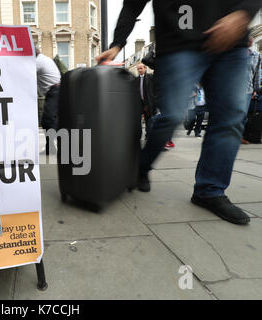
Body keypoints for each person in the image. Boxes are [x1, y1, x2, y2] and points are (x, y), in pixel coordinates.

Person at [96, 0, 260, 225]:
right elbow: (132, 5)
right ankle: (141, 167)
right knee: (172, 115)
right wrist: (116, 44)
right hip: (179, 44)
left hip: (230, 41)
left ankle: (210, 190)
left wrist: (243, 14)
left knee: (230, 117)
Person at [36, 47, 61, 154]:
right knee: (50, 120)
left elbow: (27, 74)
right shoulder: (45, 58)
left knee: (48, 120)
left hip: (55, 91)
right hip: (56, 91)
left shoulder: (38, 61)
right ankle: (51, 147)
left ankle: (54, 147)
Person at [242, 37, 261, 144]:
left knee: (243, 114)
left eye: (250, 41)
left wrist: (256, 89)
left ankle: (239, 135)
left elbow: (257, 74)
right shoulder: (235, 54)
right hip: (233, 89)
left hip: (248, 90)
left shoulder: (257, 56)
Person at [136, 63, 156, 140]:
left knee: (149, 121)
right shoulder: (136, 79)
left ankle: (148, 136)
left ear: (145, 68)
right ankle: (139, 135)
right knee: (138, 122)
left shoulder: (151, 77)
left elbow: (155, 90)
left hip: (149, 103)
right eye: (138, 69)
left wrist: (155, 101)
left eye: (141, 68)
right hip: (139, 104)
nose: (139, 70)